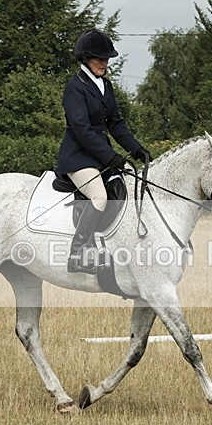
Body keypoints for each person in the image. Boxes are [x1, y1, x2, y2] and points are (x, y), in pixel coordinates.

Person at [55, 28, 151, 274]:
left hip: (99, 155)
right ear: (86, 58)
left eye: (107, 59)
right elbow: (81, 130)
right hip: (78, 156)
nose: (104, 63)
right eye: (100, 58)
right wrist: (111, 157)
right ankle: (77, 254)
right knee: (99, 196)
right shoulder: (75, 87)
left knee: (132, 181)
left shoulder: (105, 85)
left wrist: (137, 149)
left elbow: (116, 124)